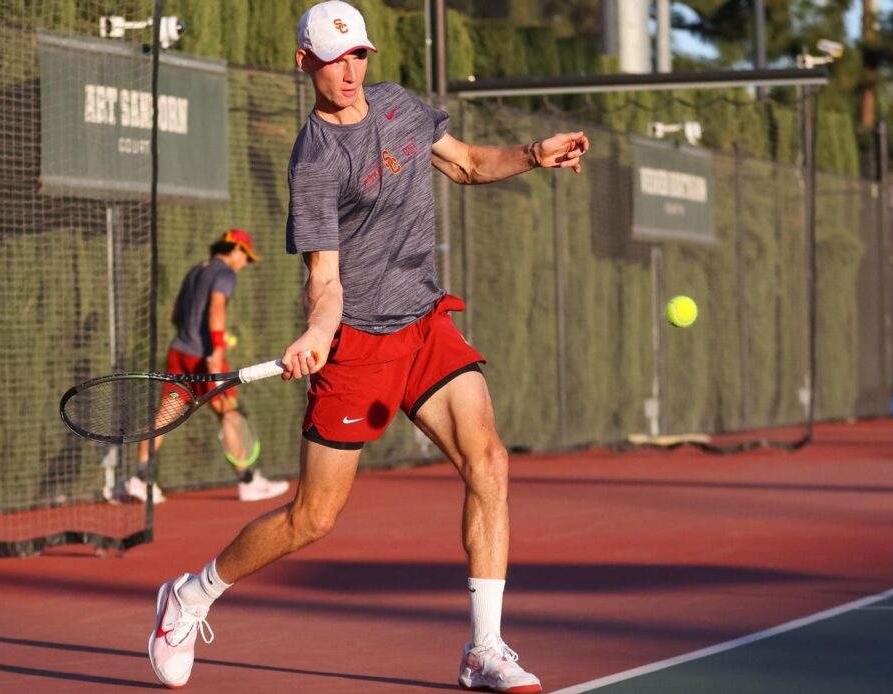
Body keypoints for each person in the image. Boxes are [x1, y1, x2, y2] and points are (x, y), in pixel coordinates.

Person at [146, 2, 588, 692]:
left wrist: (534, 155)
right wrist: (321, 332)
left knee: (489, 460)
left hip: (425, 322)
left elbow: (467, 164)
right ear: (305, 63)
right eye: (333, 58)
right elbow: (324, 276)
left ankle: (485, 648)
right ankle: (191, 595)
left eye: (357, 55)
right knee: (311, 519)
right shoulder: (315, 160)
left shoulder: (400, 106)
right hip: (358, 344)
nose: (349, 70)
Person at [127, 228, 291, 504]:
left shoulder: (195, 271)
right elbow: (216, 308)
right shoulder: (225, 273)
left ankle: (140, 479)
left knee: (164, 419)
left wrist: (194, 335)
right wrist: (215, 347)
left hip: (178, 353)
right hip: (204, 359)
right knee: (229, 415)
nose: (244, 264)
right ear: (235, 249)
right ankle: (248, 481)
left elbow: (176, 314)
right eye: (245, 257)